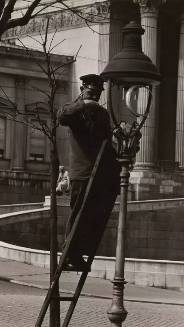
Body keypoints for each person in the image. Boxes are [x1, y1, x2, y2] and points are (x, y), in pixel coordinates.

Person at [57, 74, 120, 271]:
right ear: (82, 90)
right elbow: (61, 116)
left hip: (100, 173)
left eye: (97, 94)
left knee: (93, 216)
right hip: (82, 172)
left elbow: (106, 144)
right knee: (79, 213)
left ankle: (79, 254)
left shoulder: (102, 115)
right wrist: (85, 104)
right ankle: (69, 255)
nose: (94, 97)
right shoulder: (74, 109)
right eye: (90, 93)